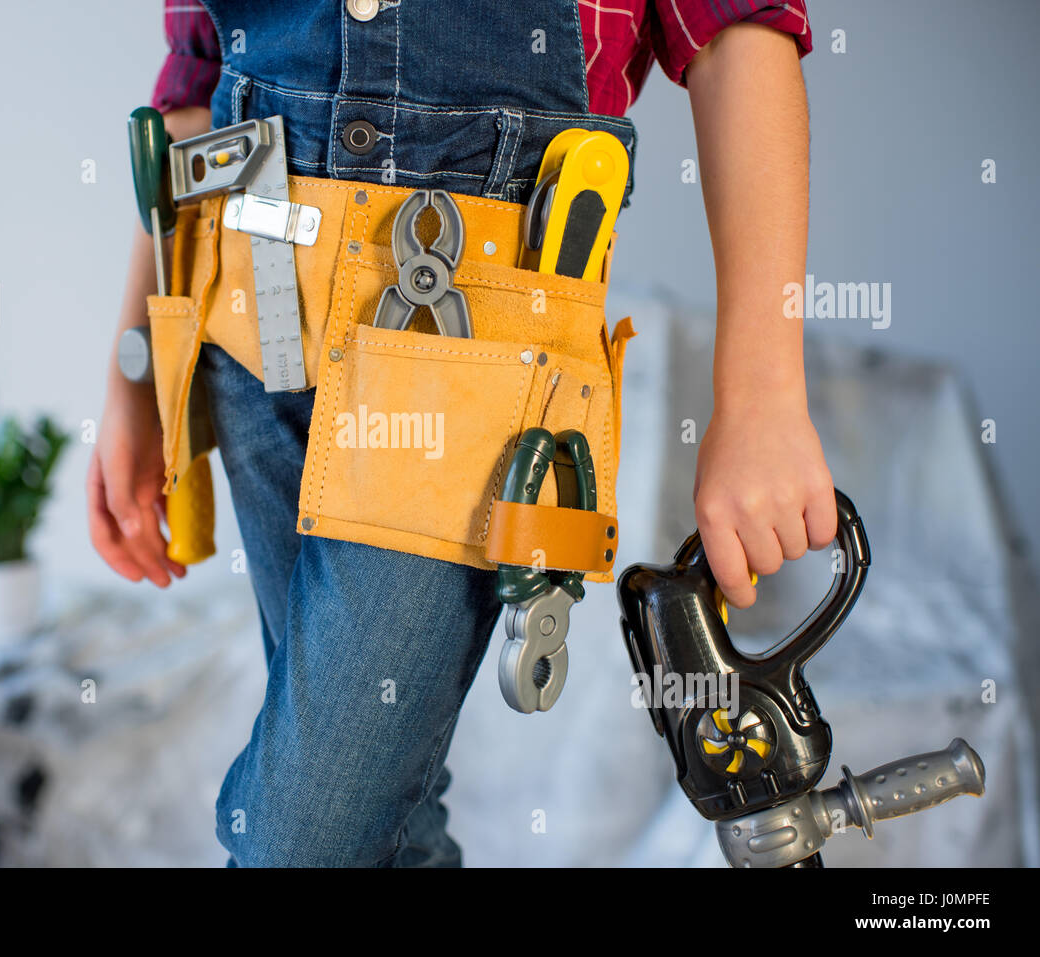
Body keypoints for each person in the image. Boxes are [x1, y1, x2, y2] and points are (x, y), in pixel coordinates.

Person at [87, 0, 835, 866]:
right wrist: (136, 375)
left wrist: (764, 397)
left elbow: (738, 31)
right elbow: (198, 79)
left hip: (473, 363)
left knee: (304, 838)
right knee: (386, 828)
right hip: (250, 334)